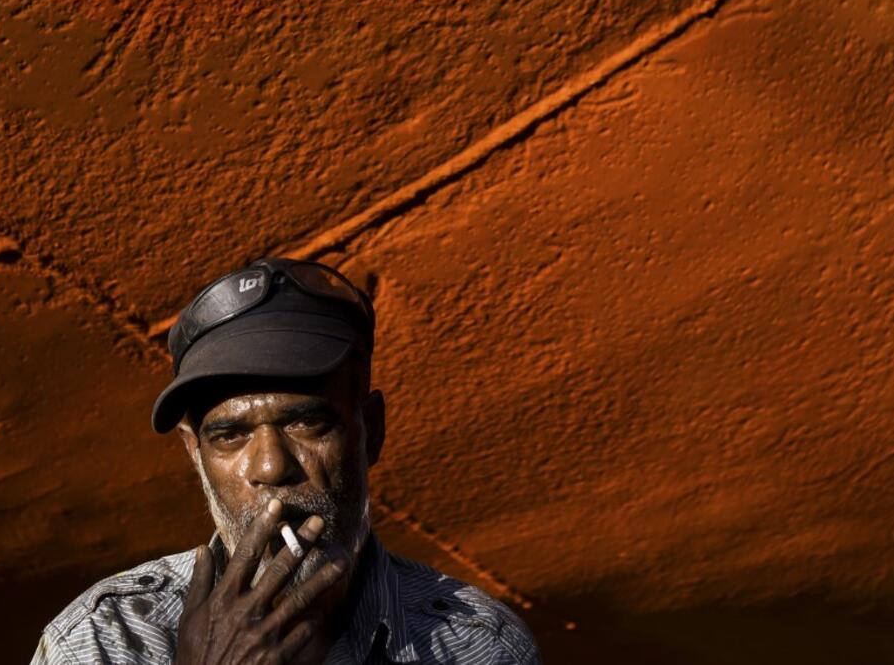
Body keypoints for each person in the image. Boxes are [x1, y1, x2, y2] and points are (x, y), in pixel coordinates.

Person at [29, 257, 541, 664]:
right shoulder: (106, 640)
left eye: (307, 423)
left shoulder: (476, 645)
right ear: (195, 453)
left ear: (371, 432)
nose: (272, 468)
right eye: (230, 435)